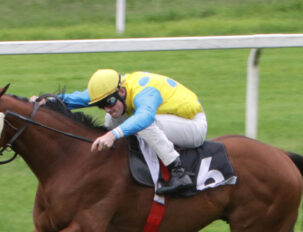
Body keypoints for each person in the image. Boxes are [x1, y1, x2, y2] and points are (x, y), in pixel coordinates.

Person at [47, 69, 208, 196]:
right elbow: (77, 99)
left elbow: (145, 117)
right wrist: (46, 101)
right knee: (112, 120)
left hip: (193, 125)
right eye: (102, 105)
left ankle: (178, 173)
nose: (107, 109)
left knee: (143, 124)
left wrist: (113, 135)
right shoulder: (114, 89)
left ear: (122, 92)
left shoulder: (143, 91)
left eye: (109, 102)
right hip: (171, 120)